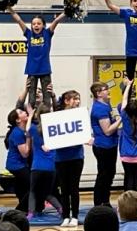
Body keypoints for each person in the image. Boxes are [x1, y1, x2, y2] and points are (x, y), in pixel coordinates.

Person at [7, 8, 66, 107]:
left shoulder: (47, 34)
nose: (36, 25)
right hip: (32, 70)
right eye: (33, 24)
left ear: (43, 25)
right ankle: (32, 118)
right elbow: (18, 20)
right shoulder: (29, 34)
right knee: (32, 98)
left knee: (47, 99)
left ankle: (46, 116)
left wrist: (66, 11)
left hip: (45, 70)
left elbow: (56, 21)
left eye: (38, 23)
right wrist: (9, 9)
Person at [25, 104, 62, 220]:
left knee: (33, 191)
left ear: (38, 116)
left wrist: (30, 115)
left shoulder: (34, 129)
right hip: (51, 167)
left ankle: (31, 213)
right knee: (47, 193)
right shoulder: (54, 130)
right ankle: (60, 209)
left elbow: (26, 129)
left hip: (37, 167)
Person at [55, 90, 85, 227]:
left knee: (74, 188)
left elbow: (84, 131)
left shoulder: (80, 115)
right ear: (66, 101)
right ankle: (65, 215)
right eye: (74, 99)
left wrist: (88, 139)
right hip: (61, 157)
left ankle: (75, 216)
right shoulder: (57, 115)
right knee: (64, 188)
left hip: (76, 156)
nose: (77, 101)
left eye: (78, 99)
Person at [90, 81, 121, 206]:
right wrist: (120, 120)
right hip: (103, 146)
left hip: (111, 145)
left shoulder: (106, 105)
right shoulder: (100, 108)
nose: (108, 91)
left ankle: (105, 200)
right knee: (103, 175)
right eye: (105, 89)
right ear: (98, 93)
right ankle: (99, 202)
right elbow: (107, 131)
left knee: (110, 174)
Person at [119, 78, 137, 192]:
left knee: (129, 182)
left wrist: (128, 85)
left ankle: (127, 207)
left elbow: (124, 99)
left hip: (126, 155)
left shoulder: (124, 116)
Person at [4, 102, 31, 212]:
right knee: (33, 186)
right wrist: (29, 137)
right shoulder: (17, 133)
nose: (24, 112)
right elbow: (25, 153)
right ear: (18, 120)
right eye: (21, 112)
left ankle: (24, 208)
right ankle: (19, 209)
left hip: (18, 164)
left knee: (22, 187)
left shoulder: (20, 131)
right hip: (16, 165)